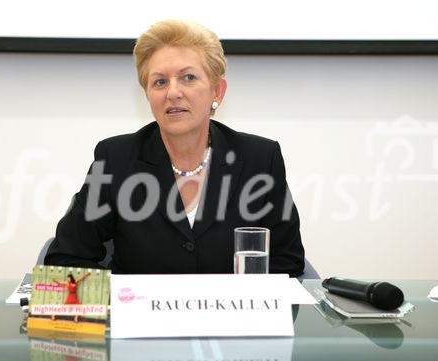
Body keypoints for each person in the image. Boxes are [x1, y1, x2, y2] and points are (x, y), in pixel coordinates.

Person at [45, 20, 305, 276]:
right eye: (159, 82)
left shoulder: (259, 159)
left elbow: (286, 262)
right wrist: (124, 303)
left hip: (232, 317)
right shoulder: (116, 160)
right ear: (147, 94)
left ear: (217, 91)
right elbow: (67, 258)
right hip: (141, 317)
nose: (173, 92)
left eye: (188, 77)